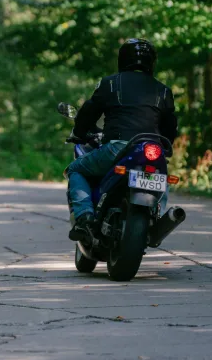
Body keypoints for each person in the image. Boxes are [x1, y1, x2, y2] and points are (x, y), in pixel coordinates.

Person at [66, 38, 178, 240]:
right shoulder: (163, 90)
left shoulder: (110, 83)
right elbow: (170, 127)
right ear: (152, 62)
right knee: (161, 177)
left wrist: (79, 133)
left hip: (118, 147)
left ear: (122, 59)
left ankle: (84, 218)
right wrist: (165, 146)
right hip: (152, 150)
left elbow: (88, 112)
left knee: (75, 169)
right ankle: (157, 216)